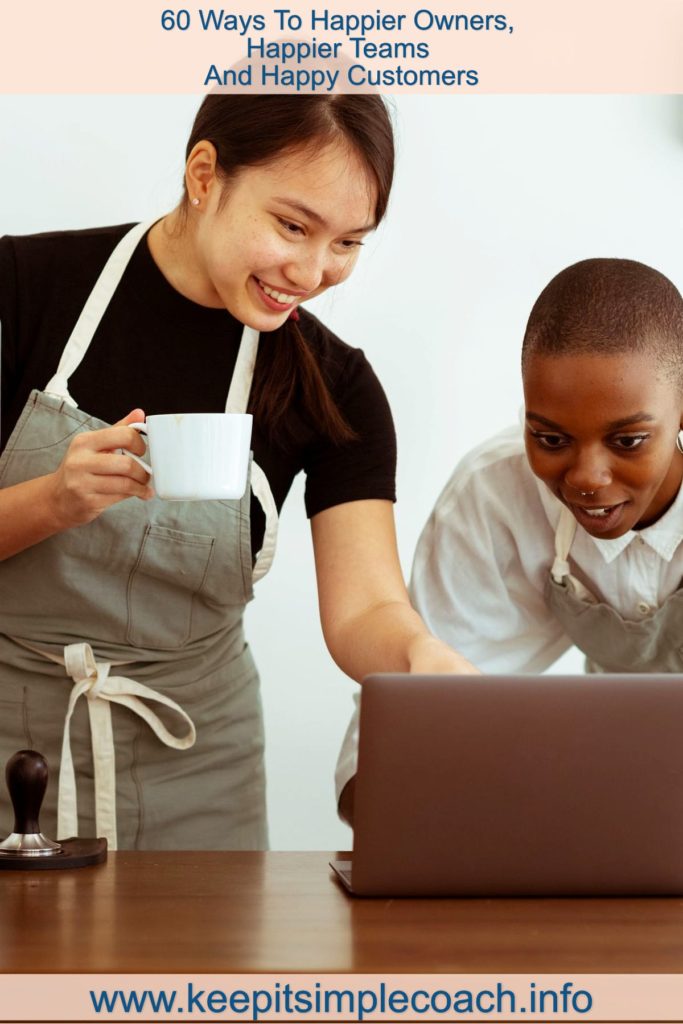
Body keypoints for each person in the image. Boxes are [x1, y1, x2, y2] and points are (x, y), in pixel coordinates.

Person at [0, 95, 473, 851]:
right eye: (292, 225)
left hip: (201, 770)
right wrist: (53, 499)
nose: (313, 271)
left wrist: (419, 655)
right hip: (8, 749)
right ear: (204, 174)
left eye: (348, 242)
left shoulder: (336, 386)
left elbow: (362, 611)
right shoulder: (21, 287)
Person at [336, 257, 683, 818]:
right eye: (550, 438)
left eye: (628, 441)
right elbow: (389, 745)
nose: (587, 479)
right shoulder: (495, 501)